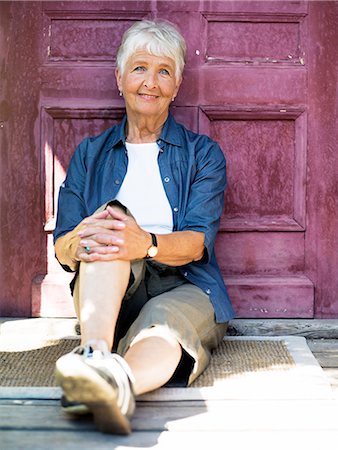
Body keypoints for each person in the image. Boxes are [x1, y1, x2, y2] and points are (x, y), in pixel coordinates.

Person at [54, 19, 235, 435]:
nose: (150, 82)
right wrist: (85, 239)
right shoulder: (90, 154)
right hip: (108, 287)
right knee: (107, 232)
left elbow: (195, 244)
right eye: (139, 68)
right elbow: (63, 247)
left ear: (176, 84)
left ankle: (113, 382)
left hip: (187, 283)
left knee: (166, 326)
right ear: (119, 78)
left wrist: (146, 244)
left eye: (164, 71)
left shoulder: (202, 154)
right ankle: (97, 352)